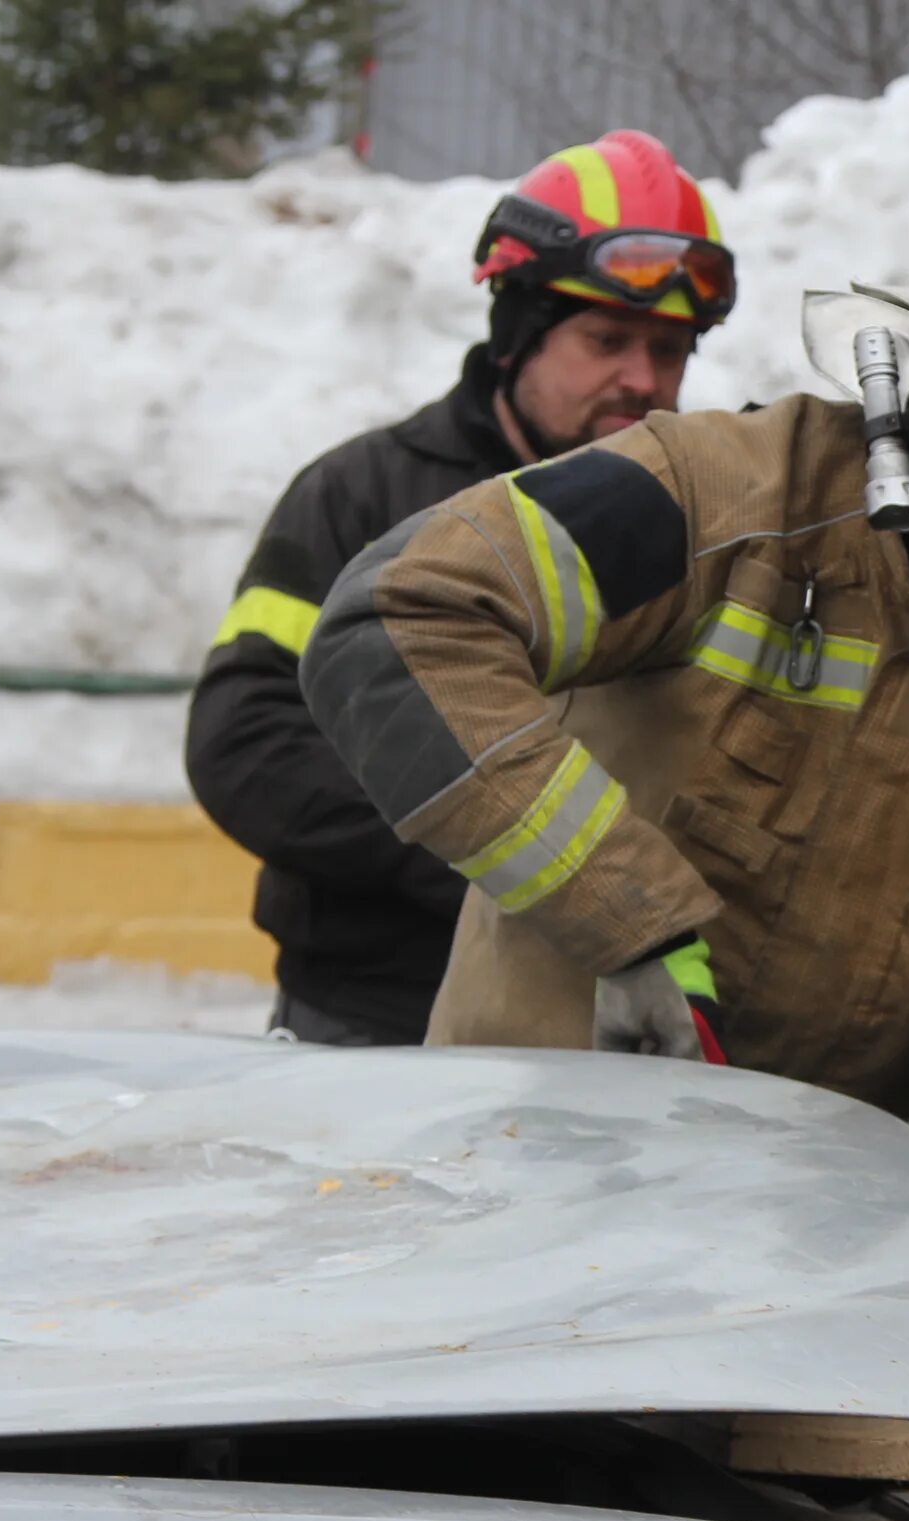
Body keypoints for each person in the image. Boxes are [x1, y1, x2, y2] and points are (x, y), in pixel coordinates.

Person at [295, 187, 909, 1503]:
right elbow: (402, 617)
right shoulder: (731, 504)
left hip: (829, 1336)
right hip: (512, 1246)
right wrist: (626, 921)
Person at [186, 129, 734, 1046]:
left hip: (613, 1032)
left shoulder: (711, 521)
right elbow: (246, 746)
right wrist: (502, 857)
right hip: (370, 1027)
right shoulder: (362, 495)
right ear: (517, 335)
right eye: (606, 340)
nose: (642, 381)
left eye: (670, 350)